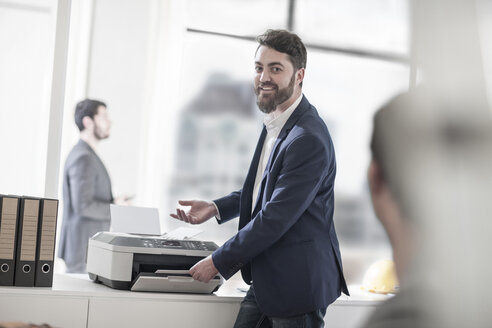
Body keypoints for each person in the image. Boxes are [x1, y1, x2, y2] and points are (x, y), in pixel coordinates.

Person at [170, 29, 348, 327]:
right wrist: (216, 208)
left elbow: (275, 215)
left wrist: (218, 261)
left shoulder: (308, 138)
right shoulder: (276, 123)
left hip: (298, 286)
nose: (264, 77)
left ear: (299, 75)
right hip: (268, 279)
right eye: (259, 68)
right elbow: (262, 190)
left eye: (275, 69)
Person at [58, 99, 129, 273]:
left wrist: (113, 201)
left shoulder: (87, 155)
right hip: (82, 250)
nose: (109, 121)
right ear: (88, 122)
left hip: (86, 249)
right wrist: (115, 207)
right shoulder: (83, 157)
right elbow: (83, 206)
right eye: (104, 116)